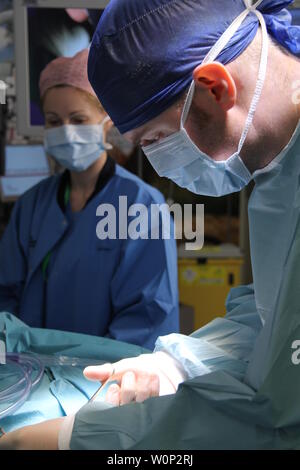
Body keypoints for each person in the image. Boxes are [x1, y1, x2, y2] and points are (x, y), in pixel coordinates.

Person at [2, 0, 300, 450]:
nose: (159, 168)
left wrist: (79, 437)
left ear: (215, 88)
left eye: (158, 140)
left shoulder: (142, 204)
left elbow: (285, 421)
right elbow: (271, 319)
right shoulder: (279, 179)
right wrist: (174, 365)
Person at [0, 49, 179, 351]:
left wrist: (92, 375)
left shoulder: (140, 206)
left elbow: (148, 316)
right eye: (54, 121)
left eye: (78, 119)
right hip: (30, 375)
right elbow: (6, 295)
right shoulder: (31, 205)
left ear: (106, 122)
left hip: (106, 380)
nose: (66, 131)